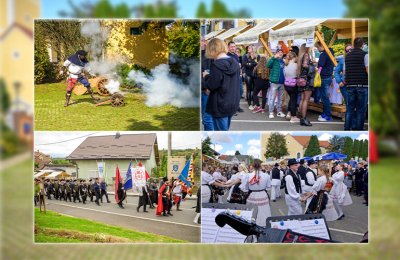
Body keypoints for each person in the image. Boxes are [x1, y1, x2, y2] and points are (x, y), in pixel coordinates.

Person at [203, 38, 240, 131]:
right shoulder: (235, 62)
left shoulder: (217, 65)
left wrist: (206, 76)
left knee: (220, 133)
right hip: (232, 102)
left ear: (212, 49)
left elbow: (212, 85)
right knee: (225, 130)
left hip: (220, 104)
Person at [344, 37, 368, 130]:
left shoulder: (347, 56)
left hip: (350, 85)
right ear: (362, 45)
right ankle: (359, 129)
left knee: (349, 109)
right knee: (361, 109)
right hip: (362, 85)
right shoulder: (365, 55)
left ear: (353, 45)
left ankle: (347, 128)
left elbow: (345, 72)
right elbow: (368, 70)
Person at [246, 160, 271, 227]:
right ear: (260, 166)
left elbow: (245, 188)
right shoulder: (266, 175)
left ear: (252, 166)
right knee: (264, 211)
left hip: (252, 195)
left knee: (252, 211)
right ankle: (264, 225)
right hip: (263, 194)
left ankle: (252, 226)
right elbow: (269, 187)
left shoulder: (248, 175)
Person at [314, 42, 335, 122]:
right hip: (329, 77)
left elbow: (320, 67)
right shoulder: (331, 53)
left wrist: (317, 74)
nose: (318, 50)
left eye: (318, 48)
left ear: (321, 46)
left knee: (325, 98)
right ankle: (325, 113)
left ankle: (327, 115)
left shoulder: (323, 54)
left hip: (324, 77)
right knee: (325, 97)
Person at [297, 44, 316, 126]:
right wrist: (313, 66)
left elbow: (302, 66)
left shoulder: (300, 56)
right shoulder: (306, 55)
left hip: (301, 79)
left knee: (302, 99)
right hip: (307, 80)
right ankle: (304, 118)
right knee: (306, 99)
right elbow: (305, 65)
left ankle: (301, 117)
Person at [267, 49, 286, 119]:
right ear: (276, 53)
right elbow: (268, 65)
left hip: (282, 82)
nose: (280, 53)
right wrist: (273, 57)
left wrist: (285, 62)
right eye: (279, 52)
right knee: (272, 98)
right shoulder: (274, 60)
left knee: (280, 99)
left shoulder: (283, 61)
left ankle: (279, 112)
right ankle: (271, 112)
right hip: (274, 82)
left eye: (281, 52)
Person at [201, 37, 214, 131]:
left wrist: (207, 87)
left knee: (207, 118)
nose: (203, 43)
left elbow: (210, 72)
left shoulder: (209, 56)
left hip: (205, 90)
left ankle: (209, 135)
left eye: (203, 41)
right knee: (204, 117)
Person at [227, 41, 244, 113]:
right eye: (231, 47)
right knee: (231, 93)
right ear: (228, 47)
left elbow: (239, 65)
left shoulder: (236, 56)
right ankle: (231, 109)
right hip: (231, 78)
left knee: (239, 91)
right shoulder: (227, 56)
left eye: (234, 46)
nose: (233, 48)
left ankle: (237, 106)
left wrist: (240, 71)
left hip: (238, 77)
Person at [283, 51, 299, 123]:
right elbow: (298, 74)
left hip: (286, 84)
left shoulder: (286, 65)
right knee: (293, 100)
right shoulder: (296, 65)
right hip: (293, 83)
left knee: (291, 99)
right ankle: (293, 116)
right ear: (294, 57)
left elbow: (284, 75)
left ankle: (289, 113)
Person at [242, 45, 260, 109]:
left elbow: (258, 64)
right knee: (249, 90)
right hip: (248, 75)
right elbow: (245, 65)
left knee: (255, 90)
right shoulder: (245, 56)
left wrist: (250, 63)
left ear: (253, 49)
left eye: (250, 48)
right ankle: (249, 104)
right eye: (248, 48)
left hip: (256, 75)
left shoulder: (258, 56)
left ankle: (254, 103)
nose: (248, 49)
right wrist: (253, 62)